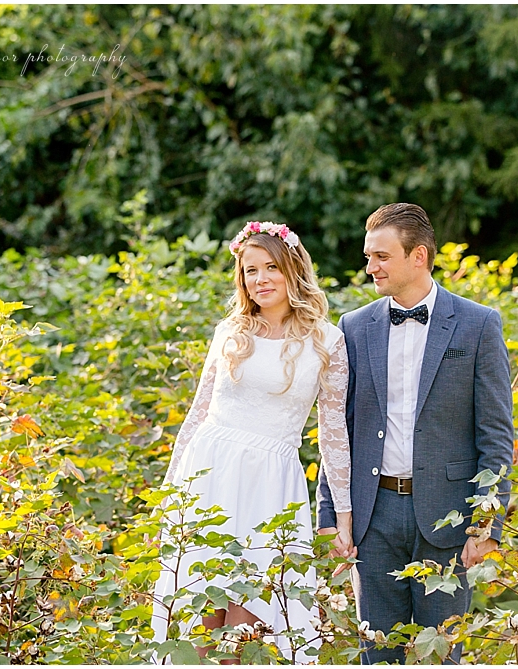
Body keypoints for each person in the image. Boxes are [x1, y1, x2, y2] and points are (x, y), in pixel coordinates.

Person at [316, 203, 514, 664]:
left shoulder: (478, 323)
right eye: (368, 257)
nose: (371, 268)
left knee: (442, 655)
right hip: (374, 517)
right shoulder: (354, 327)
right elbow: (337, 430)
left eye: (381, 257)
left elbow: (496, 435)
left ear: (419, 256)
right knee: (377, 653)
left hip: (447, 519)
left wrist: (487, 525)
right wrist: (330, 514)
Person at [153, 221, 354, 661]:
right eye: (249, 271)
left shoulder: (328, 341)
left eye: (271, 268)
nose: (260, 279)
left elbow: (333, 435)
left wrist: (344, 516)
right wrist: (170, 495)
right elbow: (198, 414)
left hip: (269, 484)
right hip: (208, 477)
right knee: (196, 622)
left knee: (249, 628)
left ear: (293, 269)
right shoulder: (230, 332)